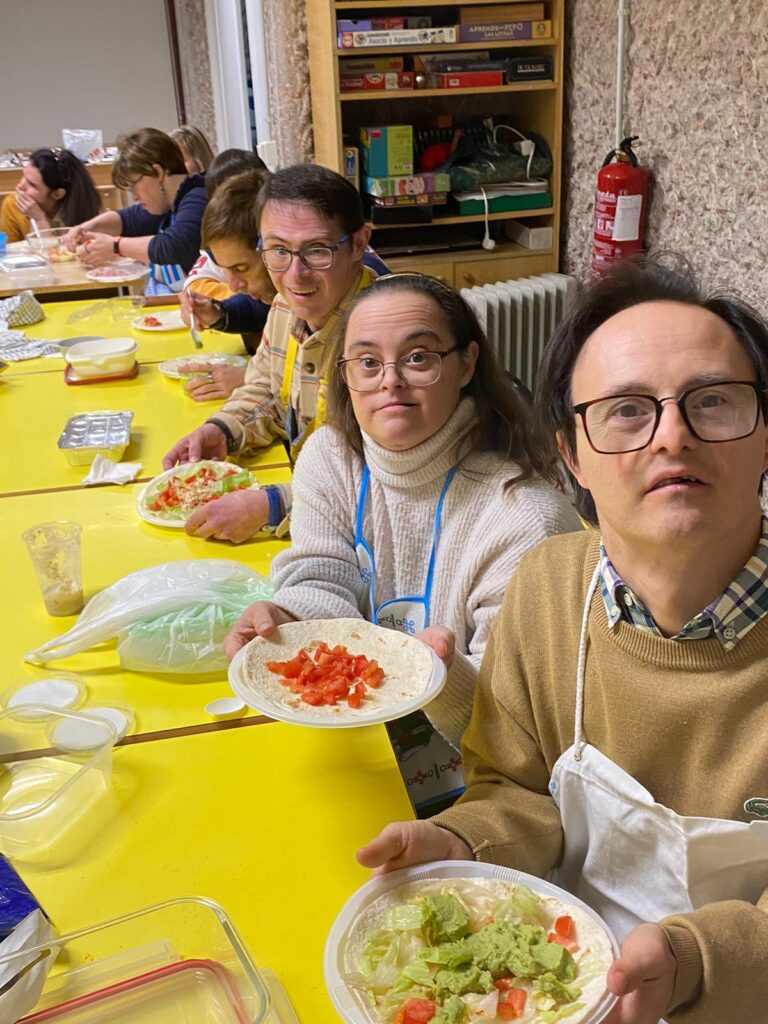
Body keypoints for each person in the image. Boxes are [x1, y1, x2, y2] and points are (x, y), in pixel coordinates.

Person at [358, 257, 768, 1023]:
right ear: (572, 456)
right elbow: (515, 789)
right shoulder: (548, 585)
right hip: (565, 982)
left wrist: (691, 961)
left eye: (712, 401)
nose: (672, 436)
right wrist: (462, 843)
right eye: (626, 411)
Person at [223, 273, 579, 748]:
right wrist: (289, 620)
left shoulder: (528, 520)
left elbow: (524, 723)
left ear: (467, 363)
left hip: (475, 766)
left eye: (417, 358)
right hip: (350, 736)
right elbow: (324, 573)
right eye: (368, 363)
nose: (390, 380)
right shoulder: (329, 457)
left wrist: (443, 677)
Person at [162, 163, 386, 543]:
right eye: (278, 250)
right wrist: (223, 429)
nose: (295, 275)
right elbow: (268, 388)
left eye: (317, 251)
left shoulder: (389, 338)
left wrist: (273, 505)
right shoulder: (285, 305)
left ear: (359, 244)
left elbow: (388, 486)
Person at [64, 127, 208, 294]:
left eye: (134, 186)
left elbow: (175, 245)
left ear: (157, 172)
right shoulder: (166, 204)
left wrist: (115, 246)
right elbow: (127, 219)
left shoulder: (198, 196)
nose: (135, 197)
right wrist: (84, 228)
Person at [0, 148, 101, 243]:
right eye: (24, 176)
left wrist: (41, 221)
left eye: (32, 185)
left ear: (57, 194)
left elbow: (66, 254)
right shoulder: (13, 204)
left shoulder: (82, 208)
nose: (20, 186)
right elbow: (5, 251)